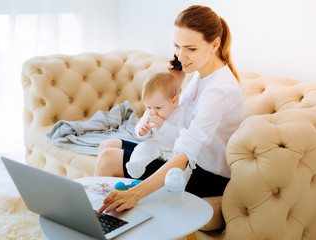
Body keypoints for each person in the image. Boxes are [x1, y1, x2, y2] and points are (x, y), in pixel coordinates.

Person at [94, 5, 243, 214]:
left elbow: (186, 153)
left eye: (191, 49)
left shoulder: (218, 90)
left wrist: (135, 194)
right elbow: (180, 120)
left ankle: (100, 222)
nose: (181, 56)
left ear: (215, 44)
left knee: (110, 158)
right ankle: (115, 220)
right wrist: (176, 82)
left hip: (206, 176)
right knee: (108, 145)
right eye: (177, 46)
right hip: (185, 158)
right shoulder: (201, 74)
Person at [126, 72, 188, 179]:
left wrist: (162, 125)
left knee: (182, 162)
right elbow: (141, 124)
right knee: (142, 147)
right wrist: (142, 131)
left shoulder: (181, 113)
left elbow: (180, 135)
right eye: (149, 107)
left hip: (174, 149)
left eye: (158, 108)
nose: (153, 112)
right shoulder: (150, 112)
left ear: (174, 101)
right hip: (156, 144)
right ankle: (136, 165)